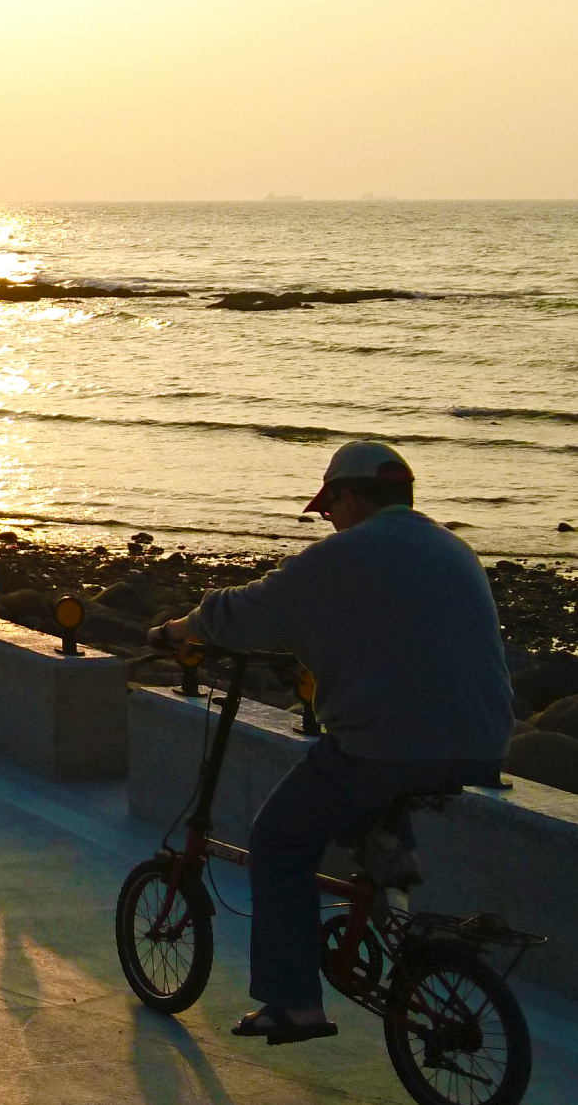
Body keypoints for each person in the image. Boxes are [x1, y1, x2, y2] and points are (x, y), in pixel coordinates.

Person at [158, 441, 513, 1046]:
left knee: (280, 839)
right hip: (480, 741)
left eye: (330, 507)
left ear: (350, 496)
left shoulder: (343, 555)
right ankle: (388, 872)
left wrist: (178, 629)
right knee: (366, 796)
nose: (329, 518)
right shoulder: (453, 547)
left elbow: (248, 611)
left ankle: (294, 1005)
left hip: (388, 746)